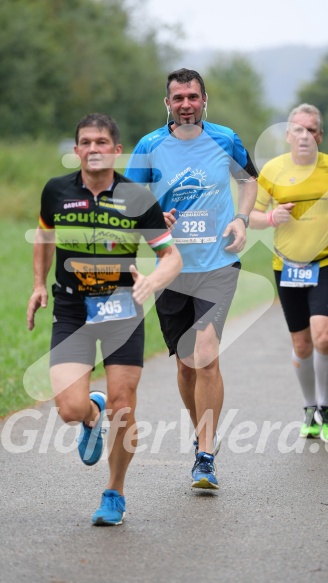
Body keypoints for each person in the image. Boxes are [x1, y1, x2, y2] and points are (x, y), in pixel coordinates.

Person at [27, 113, 182, 525]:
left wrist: (151, 281)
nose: (93, 149)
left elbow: (172, 256)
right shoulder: (56, 192)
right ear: (76, 150)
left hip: (122, 308)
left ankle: (114, 492)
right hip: (73, 309)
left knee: (123, 405)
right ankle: (90, 419)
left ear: (116, 150)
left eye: (101, 142)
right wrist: (39, 285)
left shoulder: (137, 198)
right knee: (68, 408)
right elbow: (44, 237)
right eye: (85, 142)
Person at [124, 68, 258, 489]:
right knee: (185, 367)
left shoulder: (225, 138)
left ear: (204, 101)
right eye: (178, 97)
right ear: (168, 103)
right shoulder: (150, 145)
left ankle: (204, 455)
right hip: (173, 268)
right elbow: (128, 201)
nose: (186, 104)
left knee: (205, 353)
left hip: (218, 264)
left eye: (193, 97)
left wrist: (240, 219)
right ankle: (204, 432)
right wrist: (152, 219)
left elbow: (249, 180)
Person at [250, 103, 328, 443]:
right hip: (287, 266)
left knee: (323, 337)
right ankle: (309, 408)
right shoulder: (273, 171)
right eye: (298, 129)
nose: (304, 135)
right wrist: (271, 217)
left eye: (311, 130)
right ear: (288, 134)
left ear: (320, 136)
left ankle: (326, 407)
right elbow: (251, 214)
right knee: (301, 342)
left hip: (324, 262)